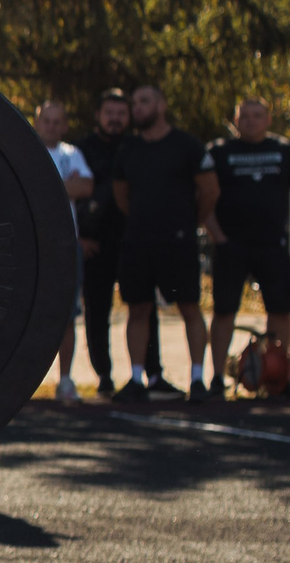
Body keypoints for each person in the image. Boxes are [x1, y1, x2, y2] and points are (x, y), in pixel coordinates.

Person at [110, 83, 216, 402]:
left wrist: (190, 222)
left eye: (145, 101)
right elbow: (121, 195)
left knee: (189, 307)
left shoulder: (187, 146)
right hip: (138, 242)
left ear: (162, 105)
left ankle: (197, 379)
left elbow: (210, 192)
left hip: (179, 242)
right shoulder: (128, 149)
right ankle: (136, 378)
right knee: (138, 309)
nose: (138, 107)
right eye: (135, 102)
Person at [77, 90, 164, 397]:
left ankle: (152, 374)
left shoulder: (138, 146)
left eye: (121, 113)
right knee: (97, 312)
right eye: (109, 113)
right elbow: (72, 197)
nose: (115, 119)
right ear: (98, 115)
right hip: (95, 244)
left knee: (143, 309)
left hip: (135, 242)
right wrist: (80, 237)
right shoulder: (82, 148)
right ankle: (104, 375)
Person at [208, 95, 290, 396]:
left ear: (268, 119)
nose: (251, 120)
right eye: (245, 116)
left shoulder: (282, 150)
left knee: (281, 311)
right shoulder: (219, 152)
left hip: (272, 245)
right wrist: (218, 236)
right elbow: (204, 197)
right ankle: (217, 377)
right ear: (236, 119)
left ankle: (277, 377)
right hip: (231, 245)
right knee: (224, 310)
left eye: (258, 115)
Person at [33, 99, 94, 404]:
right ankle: (26, 379)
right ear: (37, 121)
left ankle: (66, 380)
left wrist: (45, 186)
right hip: (31, 245)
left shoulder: (72, 154)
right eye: (47, 120)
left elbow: (85, 187)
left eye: (58, 121)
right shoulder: (27, 150)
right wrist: (61, 186)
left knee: (67, 315)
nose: (52, 126)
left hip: (65, 246)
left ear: (66, 125)